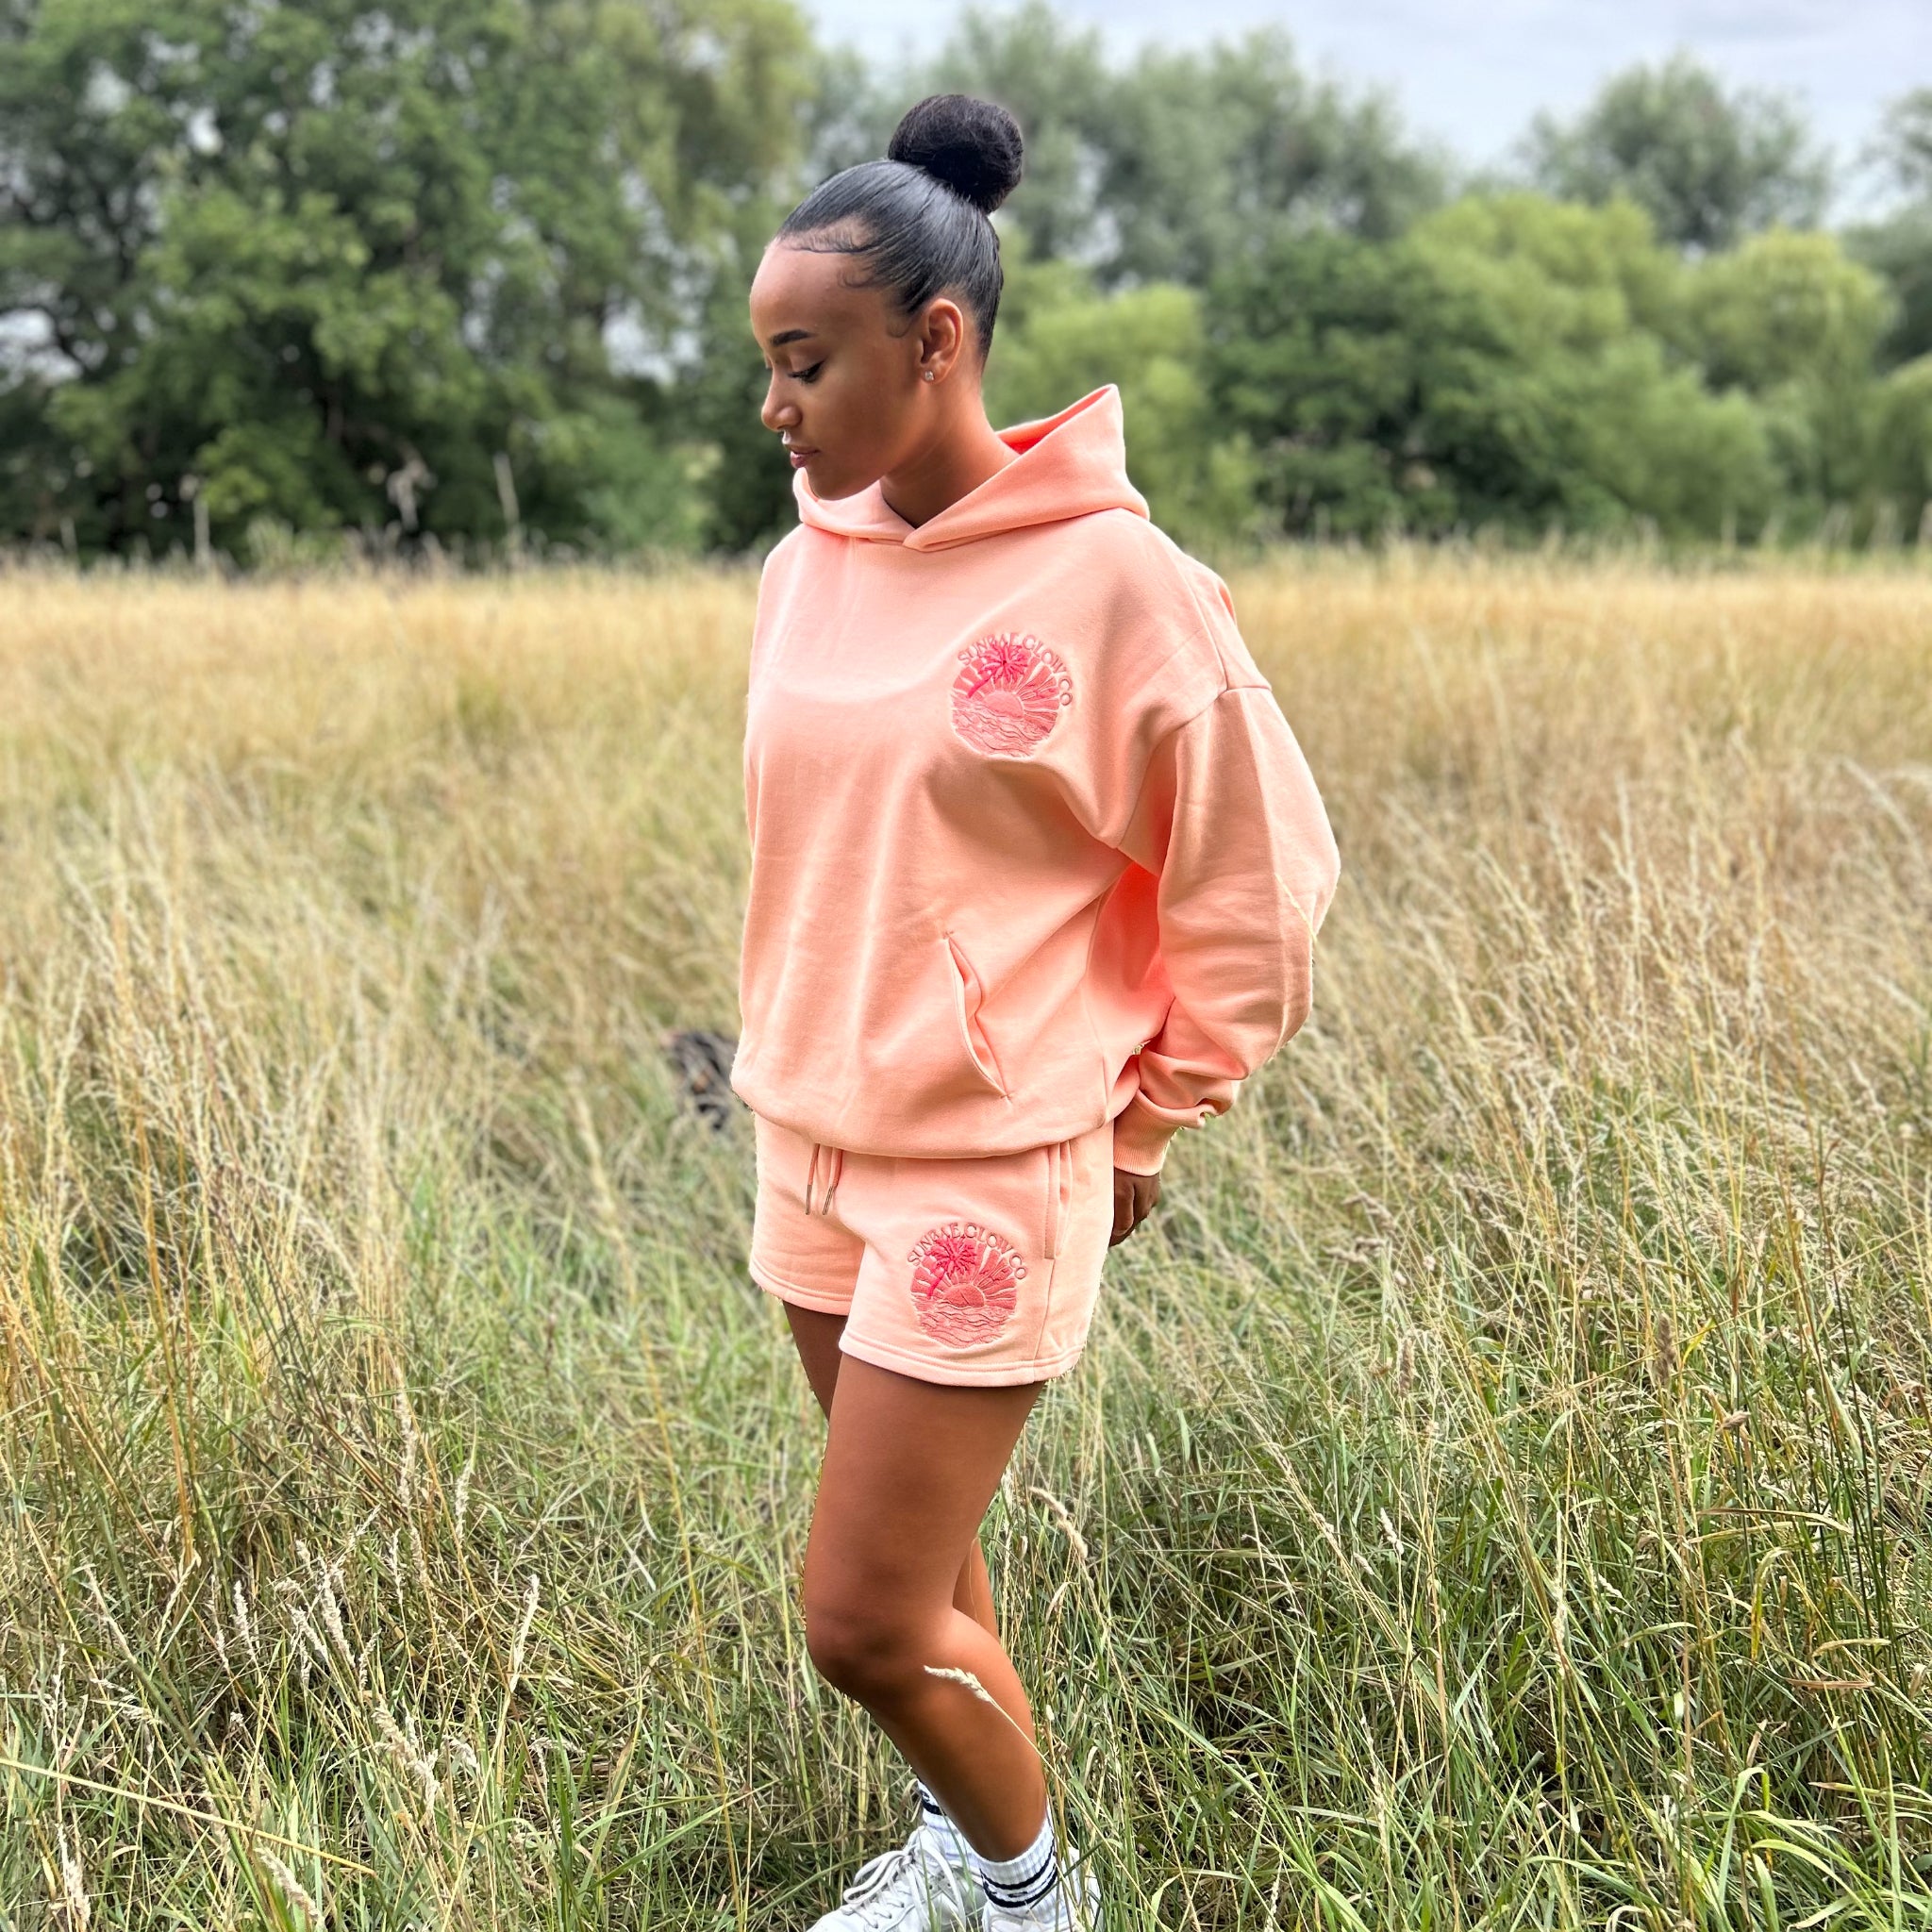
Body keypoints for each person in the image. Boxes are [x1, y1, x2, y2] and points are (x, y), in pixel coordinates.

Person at [734, 91, 1341, 1932]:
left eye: (804, 360)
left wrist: (1147, 1125)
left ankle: (1029, 1898)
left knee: (855, 1620)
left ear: (936, 342)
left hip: (989, 1166)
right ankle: (963, 1846)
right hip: (809, 1145)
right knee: (932, 1584)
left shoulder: (1118, 584)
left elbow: (1260, 882)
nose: (775, 405)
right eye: (764, 362)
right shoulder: (800, 563)